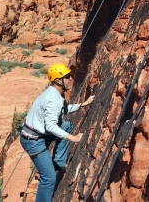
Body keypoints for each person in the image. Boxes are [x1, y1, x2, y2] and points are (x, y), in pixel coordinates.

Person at [20, 63, 94, 202]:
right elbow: (51, 127)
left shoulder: (54, 93)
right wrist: (73, 138)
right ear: (58, 81)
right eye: (66, 77)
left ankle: (58, 163)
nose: (70, 78)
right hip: (33, 141)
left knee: (66, 125)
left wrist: (83, 104)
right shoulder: (53, 98)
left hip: (36, 135)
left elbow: (62, 110)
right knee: (48, 178)